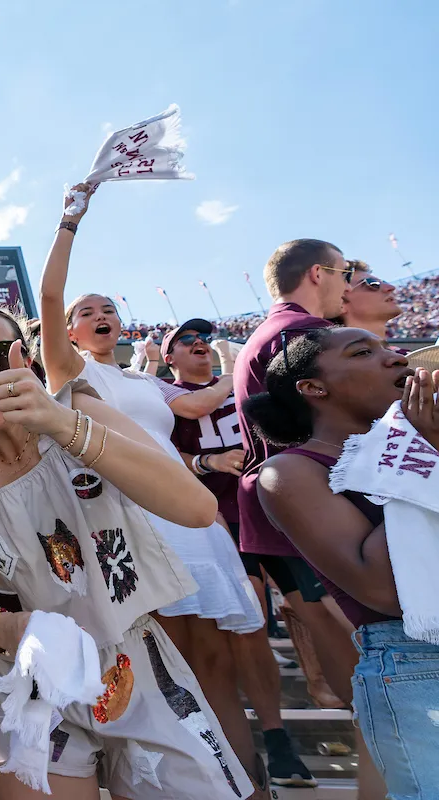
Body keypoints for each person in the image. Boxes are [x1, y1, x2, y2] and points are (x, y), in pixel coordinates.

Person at [0, 302, 252, 799]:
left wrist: (60, 424)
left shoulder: (78, 410)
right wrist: (18, 628)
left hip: (137, 665)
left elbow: (196, 507)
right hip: (29, 683)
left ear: (26, 358)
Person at [38, 185, 265, 729]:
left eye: (109, 309)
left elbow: (198, 404)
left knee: (214, 662)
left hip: (187, 514)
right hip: (128, 512)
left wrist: (238, 363)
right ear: (69, 330)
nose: (101, 315)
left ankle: (246, 782)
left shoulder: (145, 381)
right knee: (163, 660)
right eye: (86, 311)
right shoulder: (70, 370)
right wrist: (69, 222)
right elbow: (48, 299)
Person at [246, 327, 439, 799]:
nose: (395, 358)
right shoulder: (289, 472)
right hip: (416, 664)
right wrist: (423, 451)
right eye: (363, 352)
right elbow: (382, 588)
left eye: (390, 348)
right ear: (314, 388)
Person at [163, 319, 314, 789]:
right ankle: (260, 745)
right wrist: (208, 462)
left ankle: (279, 733)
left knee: (316, 612)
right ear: (169, 358)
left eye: (203, 338)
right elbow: (159, 455)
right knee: (248, 624)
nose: (199, 345)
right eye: (186, 341)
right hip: (216, 521)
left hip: (271, 510)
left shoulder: (242, 384)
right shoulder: (165, 398)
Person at [232, 240, 360, 707]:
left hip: (285, 507)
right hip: (319, 508)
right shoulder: (304, 332)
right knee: (369, 670)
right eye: (344, 273)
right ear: (317, 273)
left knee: (362, 689)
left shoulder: (267, 334)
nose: (347, 286)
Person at [337, 260, 402, 341]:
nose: (390, 287)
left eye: (384, 282)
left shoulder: (405, 353)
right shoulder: (331, 353)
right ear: (341, 304)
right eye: (373, 284)